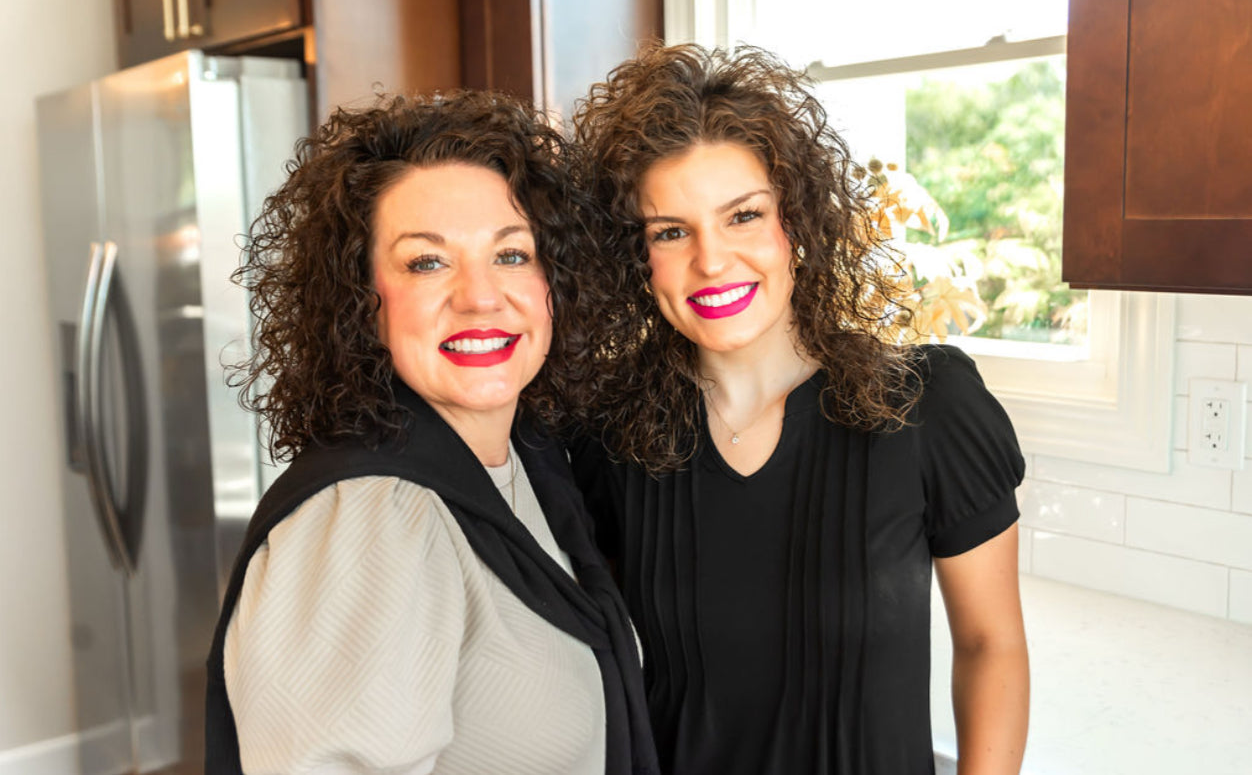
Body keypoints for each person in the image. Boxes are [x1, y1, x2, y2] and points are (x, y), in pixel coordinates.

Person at [569, 43, 1030, 775]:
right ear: (636, 257)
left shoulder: (927, 407)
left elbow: (990, 645)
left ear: (797, 224)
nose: (712, 261)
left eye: (743, 216)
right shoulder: (609, 436)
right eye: (669, 231)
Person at [204, 91, 659, 775]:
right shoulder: (375, 515)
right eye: (427, 262)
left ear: (554, 283)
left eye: (512, 255)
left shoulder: (525, 460)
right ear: (359, 301)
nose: (480, 296)